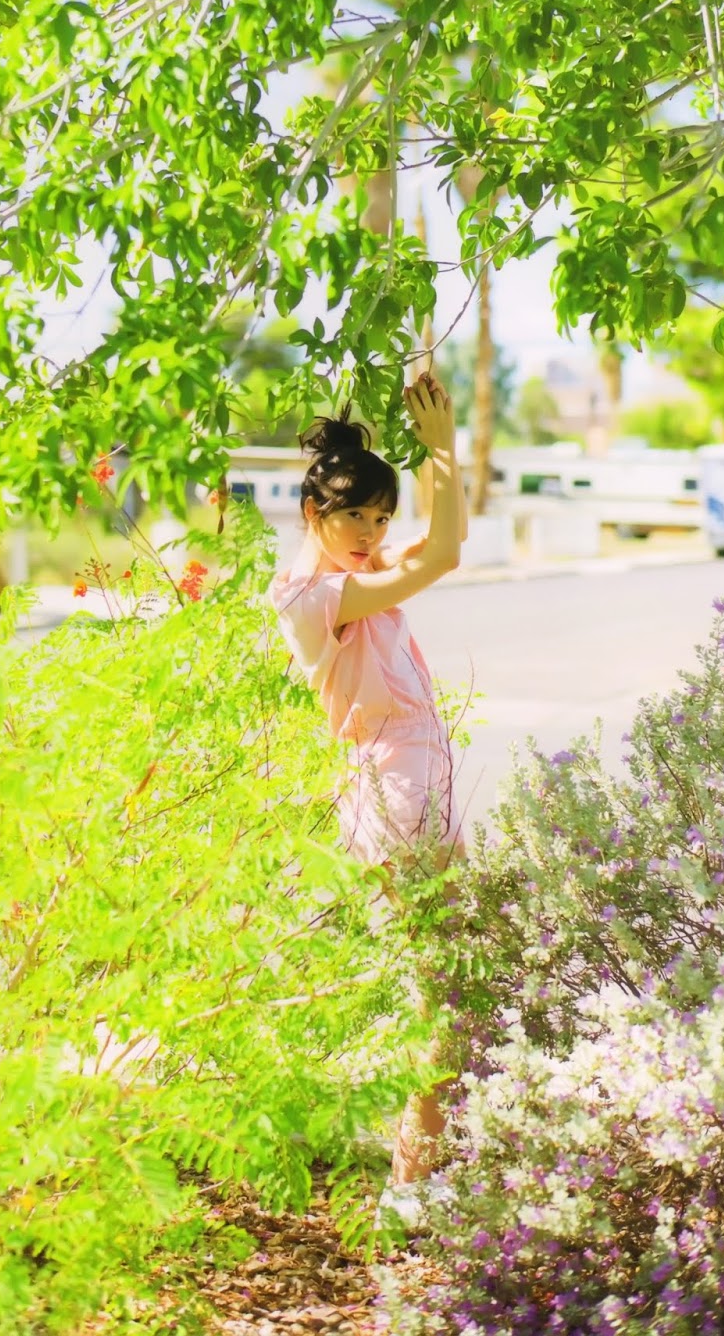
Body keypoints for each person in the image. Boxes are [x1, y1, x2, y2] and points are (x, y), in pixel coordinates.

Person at [268, 375, 468, 1225]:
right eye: (353, 515)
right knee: (440, 994)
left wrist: (438, 461)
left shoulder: (364, 572)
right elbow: (445, 556)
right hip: (391, 793)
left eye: (381, 517)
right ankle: (409, 1186)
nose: (370, 533)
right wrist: (441, 451)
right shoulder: (313, 596)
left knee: (450, 987)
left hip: (417, 784)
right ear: (312, 512)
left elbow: (442, 544)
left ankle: (420, 1176)